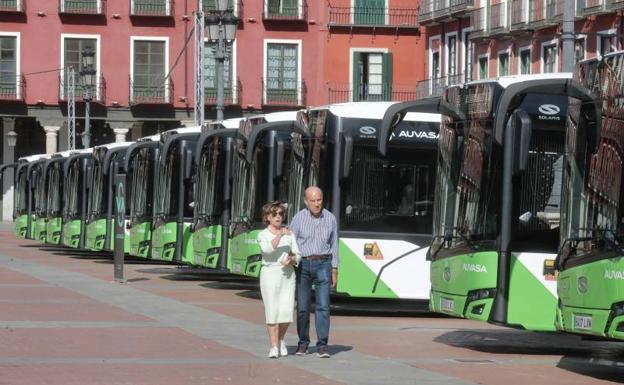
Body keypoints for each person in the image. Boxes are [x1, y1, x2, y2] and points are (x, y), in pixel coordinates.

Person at [289, 186, 339, 358]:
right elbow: (291, 241)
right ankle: (303, 343)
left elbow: (334, 245)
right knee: (302, 308)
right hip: (303, 265)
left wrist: (334, 268)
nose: (317, 204)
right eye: (313, 200)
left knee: (323, 306)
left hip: (323, 264)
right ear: (306, 201)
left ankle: (322, 345)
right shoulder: (298, 218)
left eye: (319, 200)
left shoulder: (330, 218)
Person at [257, 201, 301, 359]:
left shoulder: (290, 234)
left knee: (287, 310)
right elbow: (267, 250)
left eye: (281, 214)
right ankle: (274, 346)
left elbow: (297, 253)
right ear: (267, 217)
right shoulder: (263, 235)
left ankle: (281, 339)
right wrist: (280, 235)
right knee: (272, 310)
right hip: (270, 273)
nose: (278, 217)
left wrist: (292, 259)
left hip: (288, 275)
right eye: (274, 214)